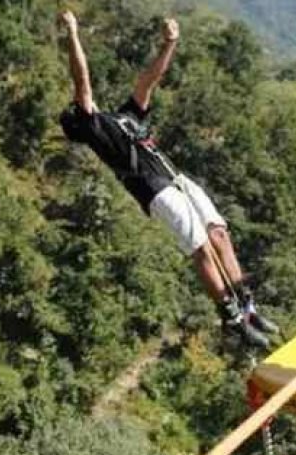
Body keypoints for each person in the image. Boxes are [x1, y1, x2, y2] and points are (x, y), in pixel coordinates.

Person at [57, 11, 277, 349]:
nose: (82, 103)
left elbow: (148, 81)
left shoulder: (123, 118)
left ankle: (248, 306)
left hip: (175, 178)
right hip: (154, 189)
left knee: (219, 234)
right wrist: (73, 34)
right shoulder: (94, 129)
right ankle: (231, 318)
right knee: (200, 247)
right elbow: (81, 80)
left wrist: (169, 44)